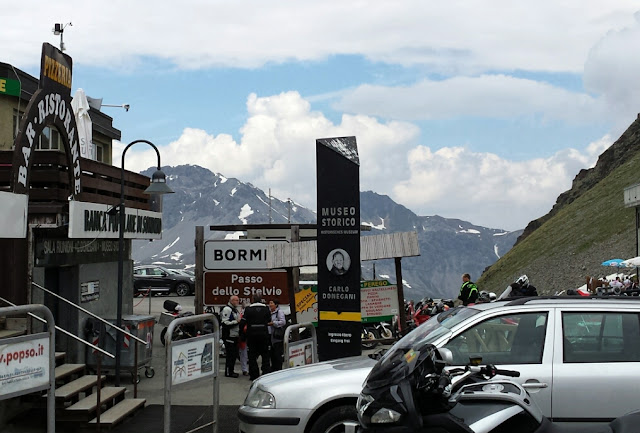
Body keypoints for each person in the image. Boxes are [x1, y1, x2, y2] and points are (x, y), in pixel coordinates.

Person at [243, 293, 271, 380]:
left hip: (252, 334)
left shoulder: (248, 309)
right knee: (265, 354)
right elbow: (269, 320)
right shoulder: (266, 308)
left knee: (252, 355)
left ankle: (254, 374)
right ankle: (266, 373)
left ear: (253, 299)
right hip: (263, 334)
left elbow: (244, 321)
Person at [220, 295, 241, 378]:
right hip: (229, 336)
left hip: (235, 335)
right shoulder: (227, 309)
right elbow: (224, 323)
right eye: (236, 300)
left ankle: (231, 371)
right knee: (230, 355)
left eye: (238, 300)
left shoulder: (234, 309)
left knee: (234, 354)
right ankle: (229, 372)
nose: (237, 302)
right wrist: (236, 322)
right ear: (231, 301)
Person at [268, 299, 286, 372]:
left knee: (277, 354)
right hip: (270, 336)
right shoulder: (269, 312)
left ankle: (278, 370)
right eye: (269, 303)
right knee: (272, 354)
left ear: (276, 304)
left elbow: (283, 322)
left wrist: (274, 323)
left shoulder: (279, 312)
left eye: (271, 303)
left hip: (277, 336)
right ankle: (273, 369)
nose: (270, 305)